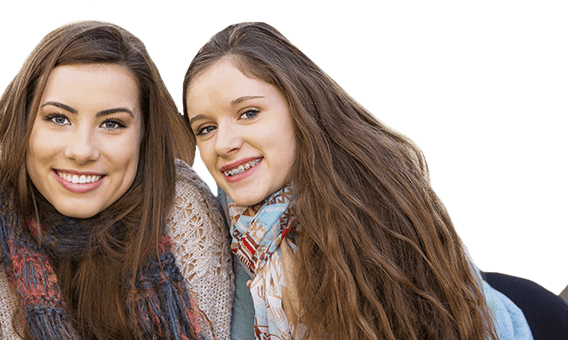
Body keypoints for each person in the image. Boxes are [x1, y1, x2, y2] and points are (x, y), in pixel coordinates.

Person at [181, 21, 567, 339]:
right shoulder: (220, 234)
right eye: (205, 128)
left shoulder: (373, 204)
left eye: (248, 113)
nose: (224, 143)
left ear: (298, 107)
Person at [0, 20, 234, 339]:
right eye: (57, 118)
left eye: (112, 124)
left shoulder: (182, 203)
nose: (82, 151)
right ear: (24, 122)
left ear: (144, 136)